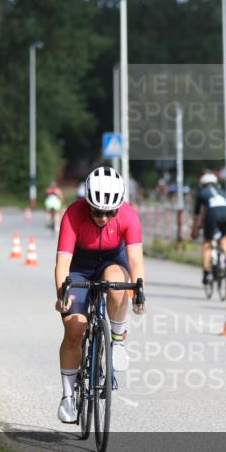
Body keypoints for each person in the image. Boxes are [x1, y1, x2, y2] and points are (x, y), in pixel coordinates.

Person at [54, 166, 146, 423]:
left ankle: (117, 339)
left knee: (117, 283)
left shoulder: (129, 216)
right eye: (97, 211)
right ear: (87, 204)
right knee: (75, 328)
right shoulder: (73, 214)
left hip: (111, 262)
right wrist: (62, 294)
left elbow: (136, 260)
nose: (103, 218)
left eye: (109, 212)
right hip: (80, 267)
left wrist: (139, 291)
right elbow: (62, 262)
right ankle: (68, 397)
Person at [190, 172, 226, 285]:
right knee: (224, 237)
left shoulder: (201, 194)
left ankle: (206, 273)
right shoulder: (222, 192)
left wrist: (195, 230)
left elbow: (199, 215)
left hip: (213, 214)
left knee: (207, 243)